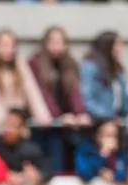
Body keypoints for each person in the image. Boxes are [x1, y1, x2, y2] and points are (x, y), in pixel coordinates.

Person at [29, 27, 90, 176]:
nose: (56, 46)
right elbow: (41, 93)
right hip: (45, 122)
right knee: (54, 150)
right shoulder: (35, 63)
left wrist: (80, 113)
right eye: (53, 42)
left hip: (66, 123)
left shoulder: (69, 63)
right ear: (45, 43)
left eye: (60, 42)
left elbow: (74, 93)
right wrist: (58, 117)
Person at [0, 29, 55, 145]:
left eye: (10, 46)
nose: (7, 49)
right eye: (3, 45)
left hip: (20, 125)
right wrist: (7, 123)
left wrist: (43, 115)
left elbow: (32, 91)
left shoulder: (20, 63)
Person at [80, 31, 128, 127]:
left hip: (115, 120)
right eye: (118, 45)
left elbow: (124, 96)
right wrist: (107, 116)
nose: (121, 49)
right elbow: (87, 98)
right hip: (98, 121)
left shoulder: (117, 70)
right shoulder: (90, 67)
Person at [0, 109, 55, 185]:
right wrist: (5, 174)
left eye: (13, 126)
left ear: (21, 129)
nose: (8, 130)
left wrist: (38, 175)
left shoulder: (31, 149)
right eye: (6, 125)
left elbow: (48, 170)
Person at [76, 118, 128, 185]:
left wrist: (114, 176)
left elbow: (126, 174)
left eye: (114, 135)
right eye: (107, 135)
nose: (111, 139)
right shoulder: (85, 150)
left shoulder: (121, 153)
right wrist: (102, 156)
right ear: (97, 136)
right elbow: (85, 173)